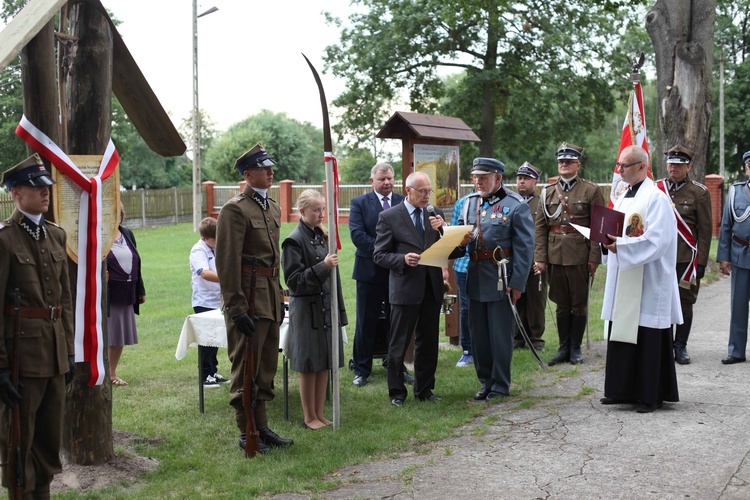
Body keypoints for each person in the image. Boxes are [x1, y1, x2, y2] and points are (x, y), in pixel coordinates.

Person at [0, 154, 75, 497]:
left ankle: (41, 492)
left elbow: (66, 301)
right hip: (22, 357)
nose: (46, 193)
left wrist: (70, 352)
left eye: (47, 187)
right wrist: (0, 366)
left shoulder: (56, 236)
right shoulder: (4, 239)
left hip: (55, 353)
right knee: (19, 438)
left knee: (48, 436)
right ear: (15, 193)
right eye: (36, 188)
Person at [215, 143, 293, 454]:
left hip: (270, 296)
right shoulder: (235, 209)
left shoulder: (271, 207)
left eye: (270, 167)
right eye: (263, 168)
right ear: (248, 175)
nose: (270, 172)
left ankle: (260, 427)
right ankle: (245, 430)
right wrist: (236, 307)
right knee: (245, 365)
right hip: (247, 297)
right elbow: (227, 261)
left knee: (265, 367)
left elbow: (272, 258)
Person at [373, 171, 469, 407]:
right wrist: (403, 259)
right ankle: (396, 392)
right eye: (422, 191)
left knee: (428, 342)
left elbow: (451, 251)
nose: (427, 196)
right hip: (405, 287)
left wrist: (451, 235)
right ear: (408, 191)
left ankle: (424, 388)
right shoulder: (389, 216)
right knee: (399, 342)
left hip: (431, 287)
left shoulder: (434, 214)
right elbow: (379, 254)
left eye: (429, 191)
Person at [600, 145, 681, 413]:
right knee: (623, 330)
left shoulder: (656, 199)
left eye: (625, 165)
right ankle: (620, 389)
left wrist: (620, 247)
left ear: (642, 167)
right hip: (625, 275)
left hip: (648, 281)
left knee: (645, 334)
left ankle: (649, 394)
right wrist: (605, 241)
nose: (619, 169)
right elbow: (616, 231)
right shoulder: (623, 196)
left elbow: (656, 241)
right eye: (619, 164)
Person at [457, 158, 534, 400]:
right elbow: (459, 240)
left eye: (484, 177)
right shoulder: (469, 204)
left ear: (497, 178)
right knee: (478, 334)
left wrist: (518, 283)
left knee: (499, 335)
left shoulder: (515, 205)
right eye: (475, 177)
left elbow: (525, 248)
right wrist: (457, 243)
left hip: (502, 277)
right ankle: (485, 381)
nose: (478, 182)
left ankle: (500, 384)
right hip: (476, 275)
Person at [282, 190, 347, 430]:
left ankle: (319, 413)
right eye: (316, 210)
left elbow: (334, 280)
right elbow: (294, 281)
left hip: (325, 310)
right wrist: (323, 266)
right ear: (303, 212)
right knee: (309, 365)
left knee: (324, 363)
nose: (321, 214)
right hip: (307, 312)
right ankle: (309, 416)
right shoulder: (294, 240)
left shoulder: (320, 236)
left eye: (323, 209)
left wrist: (339, 311)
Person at [535, 143, 605, 365]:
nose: (564, 165)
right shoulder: (546, 192)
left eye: (568, 161)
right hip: (554, 254)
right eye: (561, 161)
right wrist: (540, 257)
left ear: (578, 165)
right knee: (561, 302)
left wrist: (594, 257)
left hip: (579, 254)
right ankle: (563, 347)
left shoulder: (591, 191)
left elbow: (599, 228)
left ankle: (575, 347)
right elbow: (540, 228)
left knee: (578, 303)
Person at [349, 163, 405, 387]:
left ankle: (397, 366)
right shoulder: (359, 203)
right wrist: (385, 252)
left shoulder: (403, 201)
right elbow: (358, 236)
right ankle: (362, 369)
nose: (387, 183)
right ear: (372, 181)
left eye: (390, 178)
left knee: (397, 321)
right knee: (366, 320)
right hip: (369, 271)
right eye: (382, 179)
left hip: (397, 273)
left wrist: (394, 257)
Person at [655, 145, 712, 365]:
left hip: (685, 259)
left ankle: (680, 346)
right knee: (662, 302)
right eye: (671, 164)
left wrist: (702, 262)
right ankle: (663, 346)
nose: (673, 168)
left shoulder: (699, 192)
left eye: (678, 165)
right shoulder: (656, 189)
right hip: (660, 258)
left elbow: (705, 231)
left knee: (685, 302)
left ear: (688, 167)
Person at [107, 202, 146, 387]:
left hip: (127, 292)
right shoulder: (99, 235)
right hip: (108, 294)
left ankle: (111, 373)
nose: (116, 217)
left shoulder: (127, 234)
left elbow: (136, 261)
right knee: (108, 334)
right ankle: (101, 373)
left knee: (119, 335)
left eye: (118, 214)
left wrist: (141, 290)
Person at [717, 150, 750, 365]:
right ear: (747, 168)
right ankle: (736, 351)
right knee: (738, 306)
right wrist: (724, 257)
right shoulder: (736, 193)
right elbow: (726, 227)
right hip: (741, 255)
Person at [189, 217, 228, 387]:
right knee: (206, 339)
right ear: (204, 238)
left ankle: (213, 371)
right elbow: (204, 273)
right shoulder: (198, 250)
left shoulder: (216, 247)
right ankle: (205, 374)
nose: (218, 240)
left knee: (216, 338)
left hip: (217, 299)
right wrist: (228, 279)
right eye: (215, 238)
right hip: (203, 301)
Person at [513, 162, 547, 352]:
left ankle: (535, 339)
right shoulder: (511, 202)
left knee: (536, 300)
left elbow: (544, 234)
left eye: (526, 178)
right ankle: (517, 338)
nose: (522, 182)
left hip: (536, 261)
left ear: (536, 181)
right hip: (516, 261)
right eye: (519, 178)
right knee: (517, 300)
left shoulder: (542, 203)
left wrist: (541, 259)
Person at [450, 184, 475, 368]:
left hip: (490, 265)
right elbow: (453, 234)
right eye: (477, 177)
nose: (479, 181)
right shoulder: (463, 203)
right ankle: (468, 351)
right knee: (466, 308)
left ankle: (488, 348)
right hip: (464, 264)